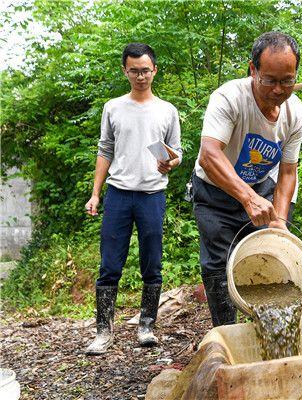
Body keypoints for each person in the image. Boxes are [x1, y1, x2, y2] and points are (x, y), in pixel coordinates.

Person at [192, 31, 302, 327]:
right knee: (218, 266)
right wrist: (246, 197)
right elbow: (209, 154)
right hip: (215, 191)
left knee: (270, 254)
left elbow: (287, 171)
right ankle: (227, 332)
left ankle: (268, 331)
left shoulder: (294, 113)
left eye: (287, 80)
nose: (278, 89)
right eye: (269, 80)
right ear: (253, 70)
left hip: (261, 187)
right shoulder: (229, 98)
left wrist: (280, 223)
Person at [84, 43, 182, 355]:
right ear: (125, 71)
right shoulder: (113, 107)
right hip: (119, 195)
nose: (140, 76)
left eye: (145, 70)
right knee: (110, 264)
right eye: (134, 70)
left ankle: (147, 325)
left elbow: (176, 153)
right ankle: (103, 331)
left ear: (155, 70)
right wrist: (95, 194)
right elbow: (105, 150)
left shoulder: (167, 110)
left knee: (152, 262)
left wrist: (170, 162)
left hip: (152, 194)